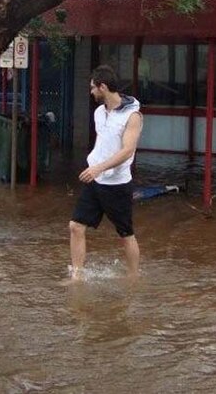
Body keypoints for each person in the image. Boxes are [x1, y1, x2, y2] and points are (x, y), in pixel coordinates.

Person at [66, 65, 143, 283]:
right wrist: (95, 166)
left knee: (125, 234)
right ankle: (77, 277)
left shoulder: (132, 116)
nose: (91, 92)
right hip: (95, 180)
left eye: (93, 88)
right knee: (75, 226)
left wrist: (99, 168)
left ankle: (133, 278)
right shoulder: (99, 112)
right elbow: (103, 144)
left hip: (117, 184)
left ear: (103, 87)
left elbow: (127, 150)